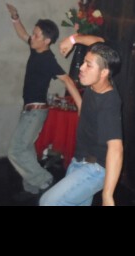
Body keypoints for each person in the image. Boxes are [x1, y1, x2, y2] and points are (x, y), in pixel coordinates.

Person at [5, 3, 82, 201]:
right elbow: (22, 34)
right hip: (29, 111)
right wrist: (15, 17)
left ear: (46, 41)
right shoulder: (35, 49)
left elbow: (67, 80)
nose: (32, 37)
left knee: (15, 150)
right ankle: (31, 188)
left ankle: (45, 180)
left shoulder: (48, 59)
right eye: (34, 33)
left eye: (37, 35)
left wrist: (81, 105)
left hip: (36, 112)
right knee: (27, 149)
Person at [39, 41, 123, 206]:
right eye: (84, 62)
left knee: (48, 202)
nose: (82, 68)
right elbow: (99, 42)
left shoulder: (109, 103)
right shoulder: (95, 85)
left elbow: (116, 149)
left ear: (104, 72)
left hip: (95, 169)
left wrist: (107, 195)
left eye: (88, 65)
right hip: (79, 161)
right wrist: (73, 39)